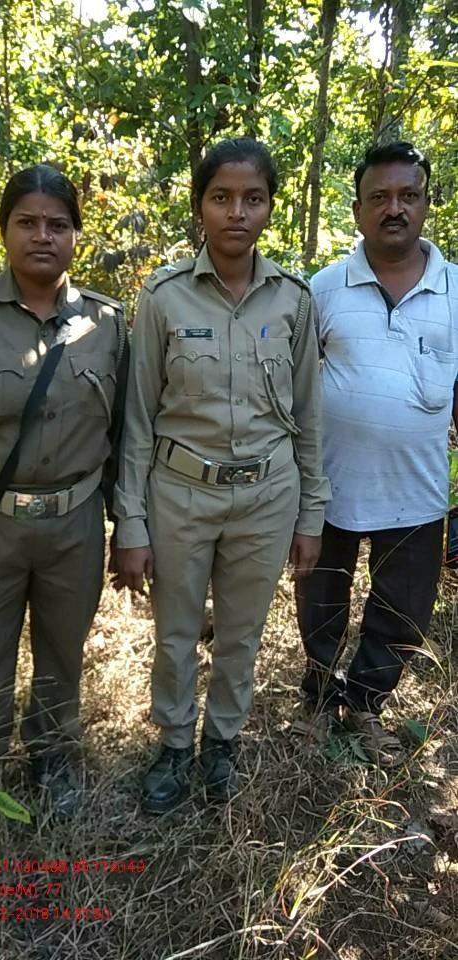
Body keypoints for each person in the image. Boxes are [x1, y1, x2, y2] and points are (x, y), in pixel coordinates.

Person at [113, 137, 330, 813]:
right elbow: (138, 418)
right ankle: (175, 745)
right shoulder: (164, 297)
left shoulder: (293, 300)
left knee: (241, 634)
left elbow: (308, 414)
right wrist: (131, 522)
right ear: (199, 206)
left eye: (253, 198)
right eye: (221, 197)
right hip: (180, 493)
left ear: (269, 207)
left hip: (267, 496)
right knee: (176, 633)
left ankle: (221, 745)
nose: (237, 212)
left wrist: (311, 513)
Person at [0, 164, 128, 817]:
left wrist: (130, 528)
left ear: (77, 235)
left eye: (58, 224)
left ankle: (53, 764)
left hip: (75, 525)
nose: (43, 236)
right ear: (4, 230)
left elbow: (124, 434)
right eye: (27, 222)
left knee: (62, 658)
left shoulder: (107, 322)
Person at [295, 142, 458, 765]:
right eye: (380, 197)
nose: (395, 209)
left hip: (417, 494)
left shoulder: (455, 290)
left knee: (403, 612)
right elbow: (293, 386)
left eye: (408, 195)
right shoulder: (324, 288)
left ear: (426, 204)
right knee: (320, 603)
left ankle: (364, 705)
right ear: (358, 209)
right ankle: (318, 699)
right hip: (331, 487)